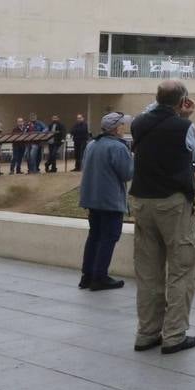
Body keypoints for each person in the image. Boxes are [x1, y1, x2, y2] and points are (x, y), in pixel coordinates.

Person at [129, 80, 195, 353]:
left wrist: (175, 110)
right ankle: (174, 334)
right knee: (181, 267)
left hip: (141, 200)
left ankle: (147, 332)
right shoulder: (184, 127)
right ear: (182, 100)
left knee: (147, 270)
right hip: (172, 202)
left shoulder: (139, 123)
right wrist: (185, 117)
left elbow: (153, 115)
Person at [79, 112, 134, 291]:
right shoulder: (118, 147)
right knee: (108, 238)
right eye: (122, 125)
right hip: (110, 200)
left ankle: (87, 275)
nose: (124, 128)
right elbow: (127, 173)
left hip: (92, 198)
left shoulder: (92, 144)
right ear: (116, 128)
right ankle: (100, 276)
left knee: (94, 236)